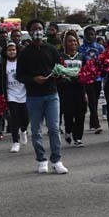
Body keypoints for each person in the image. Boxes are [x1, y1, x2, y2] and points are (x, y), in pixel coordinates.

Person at [16, 19, 68, 174]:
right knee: (36, 130)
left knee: (54, 128)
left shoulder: (51, 49)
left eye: (40, 28)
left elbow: (59, 68)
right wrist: (33, 79)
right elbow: (19, 75)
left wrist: (59, 74)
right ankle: (41, 159)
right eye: (34, 29)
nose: (37, 31)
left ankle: (57, 160)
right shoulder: (24, 53)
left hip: (51, 94)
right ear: (30, 32)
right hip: (33, 96)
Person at [58, 31, 87, 147]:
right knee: (69, 113)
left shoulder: (81, 56)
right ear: (65, 43)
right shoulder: (61, 57)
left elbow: (86, 72)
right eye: (70, 41)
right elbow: (57, 72)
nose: (73, 43)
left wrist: (86, 91)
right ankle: (68, 130)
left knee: (81, 113)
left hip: (79, 88)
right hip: (66, 89)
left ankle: (78, 138)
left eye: (75, 41)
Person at [2, 42, 28, 153]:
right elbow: (1, 80)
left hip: (24, 93)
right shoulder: (3, 64)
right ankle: (15, 142)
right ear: (6, 52)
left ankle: (23, 130)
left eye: (13, 49)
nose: (12, 52)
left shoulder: (22, 63)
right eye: (9, 50)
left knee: (25, 118)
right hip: (11, 94)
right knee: (14, 118)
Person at [78, 26, 104, 134]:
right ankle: (96, 123)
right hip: (86, 78)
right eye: (88, 34)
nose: (90, 36)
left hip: (97, 77)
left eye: (92, 34)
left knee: (95, 100)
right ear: (85, 36)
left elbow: (104, 61)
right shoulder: (81, 48)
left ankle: (92, 122)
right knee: (92, 100)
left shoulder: (100, 47)